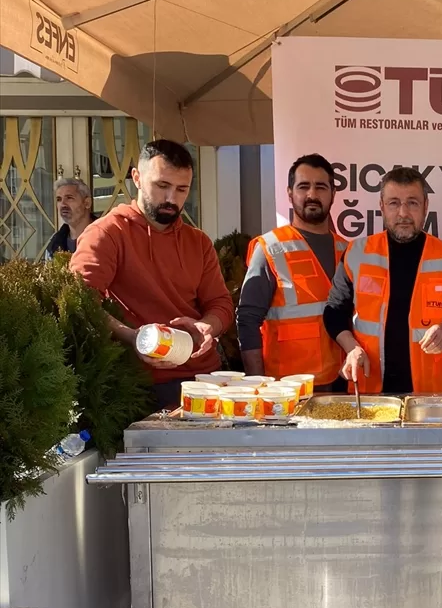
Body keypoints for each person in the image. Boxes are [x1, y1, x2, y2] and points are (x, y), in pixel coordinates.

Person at [70, 139, 233, 410]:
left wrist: (208, 327)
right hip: (137, 385)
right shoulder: (106, 234)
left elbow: (221, 304)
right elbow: (80, 302)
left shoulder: (199, 242)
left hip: (205, 379)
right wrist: (133, 337)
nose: (171, 198)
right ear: (137, 178)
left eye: (182, 189)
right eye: (162, 185)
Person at [324, 166, 442, 394]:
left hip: (427, 393)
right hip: (369, 389)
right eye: (394, 203)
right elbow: (334, 313)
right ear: (382, 206)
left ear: (425, 206)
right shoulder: (357, 253)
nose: (403, 213)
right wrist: (351, 348)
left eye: (412, 203)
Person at [237, 154, 347, 389]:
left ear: (333, 194)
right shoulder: (271, 248)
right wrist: (258, 386)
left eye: (321, 187)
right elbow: (247, 320)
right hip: (287, 388)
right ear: (289, 193)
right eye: (303, 186)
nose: (312, 195)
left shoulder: (347, 250)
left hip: (341, 383)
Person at [46, 177, 97, 257]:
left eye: (69, 198)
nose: (63, 204)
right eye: (59, 199)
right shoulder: (54, 242)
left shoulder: (104, 236)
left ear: (87, 203)